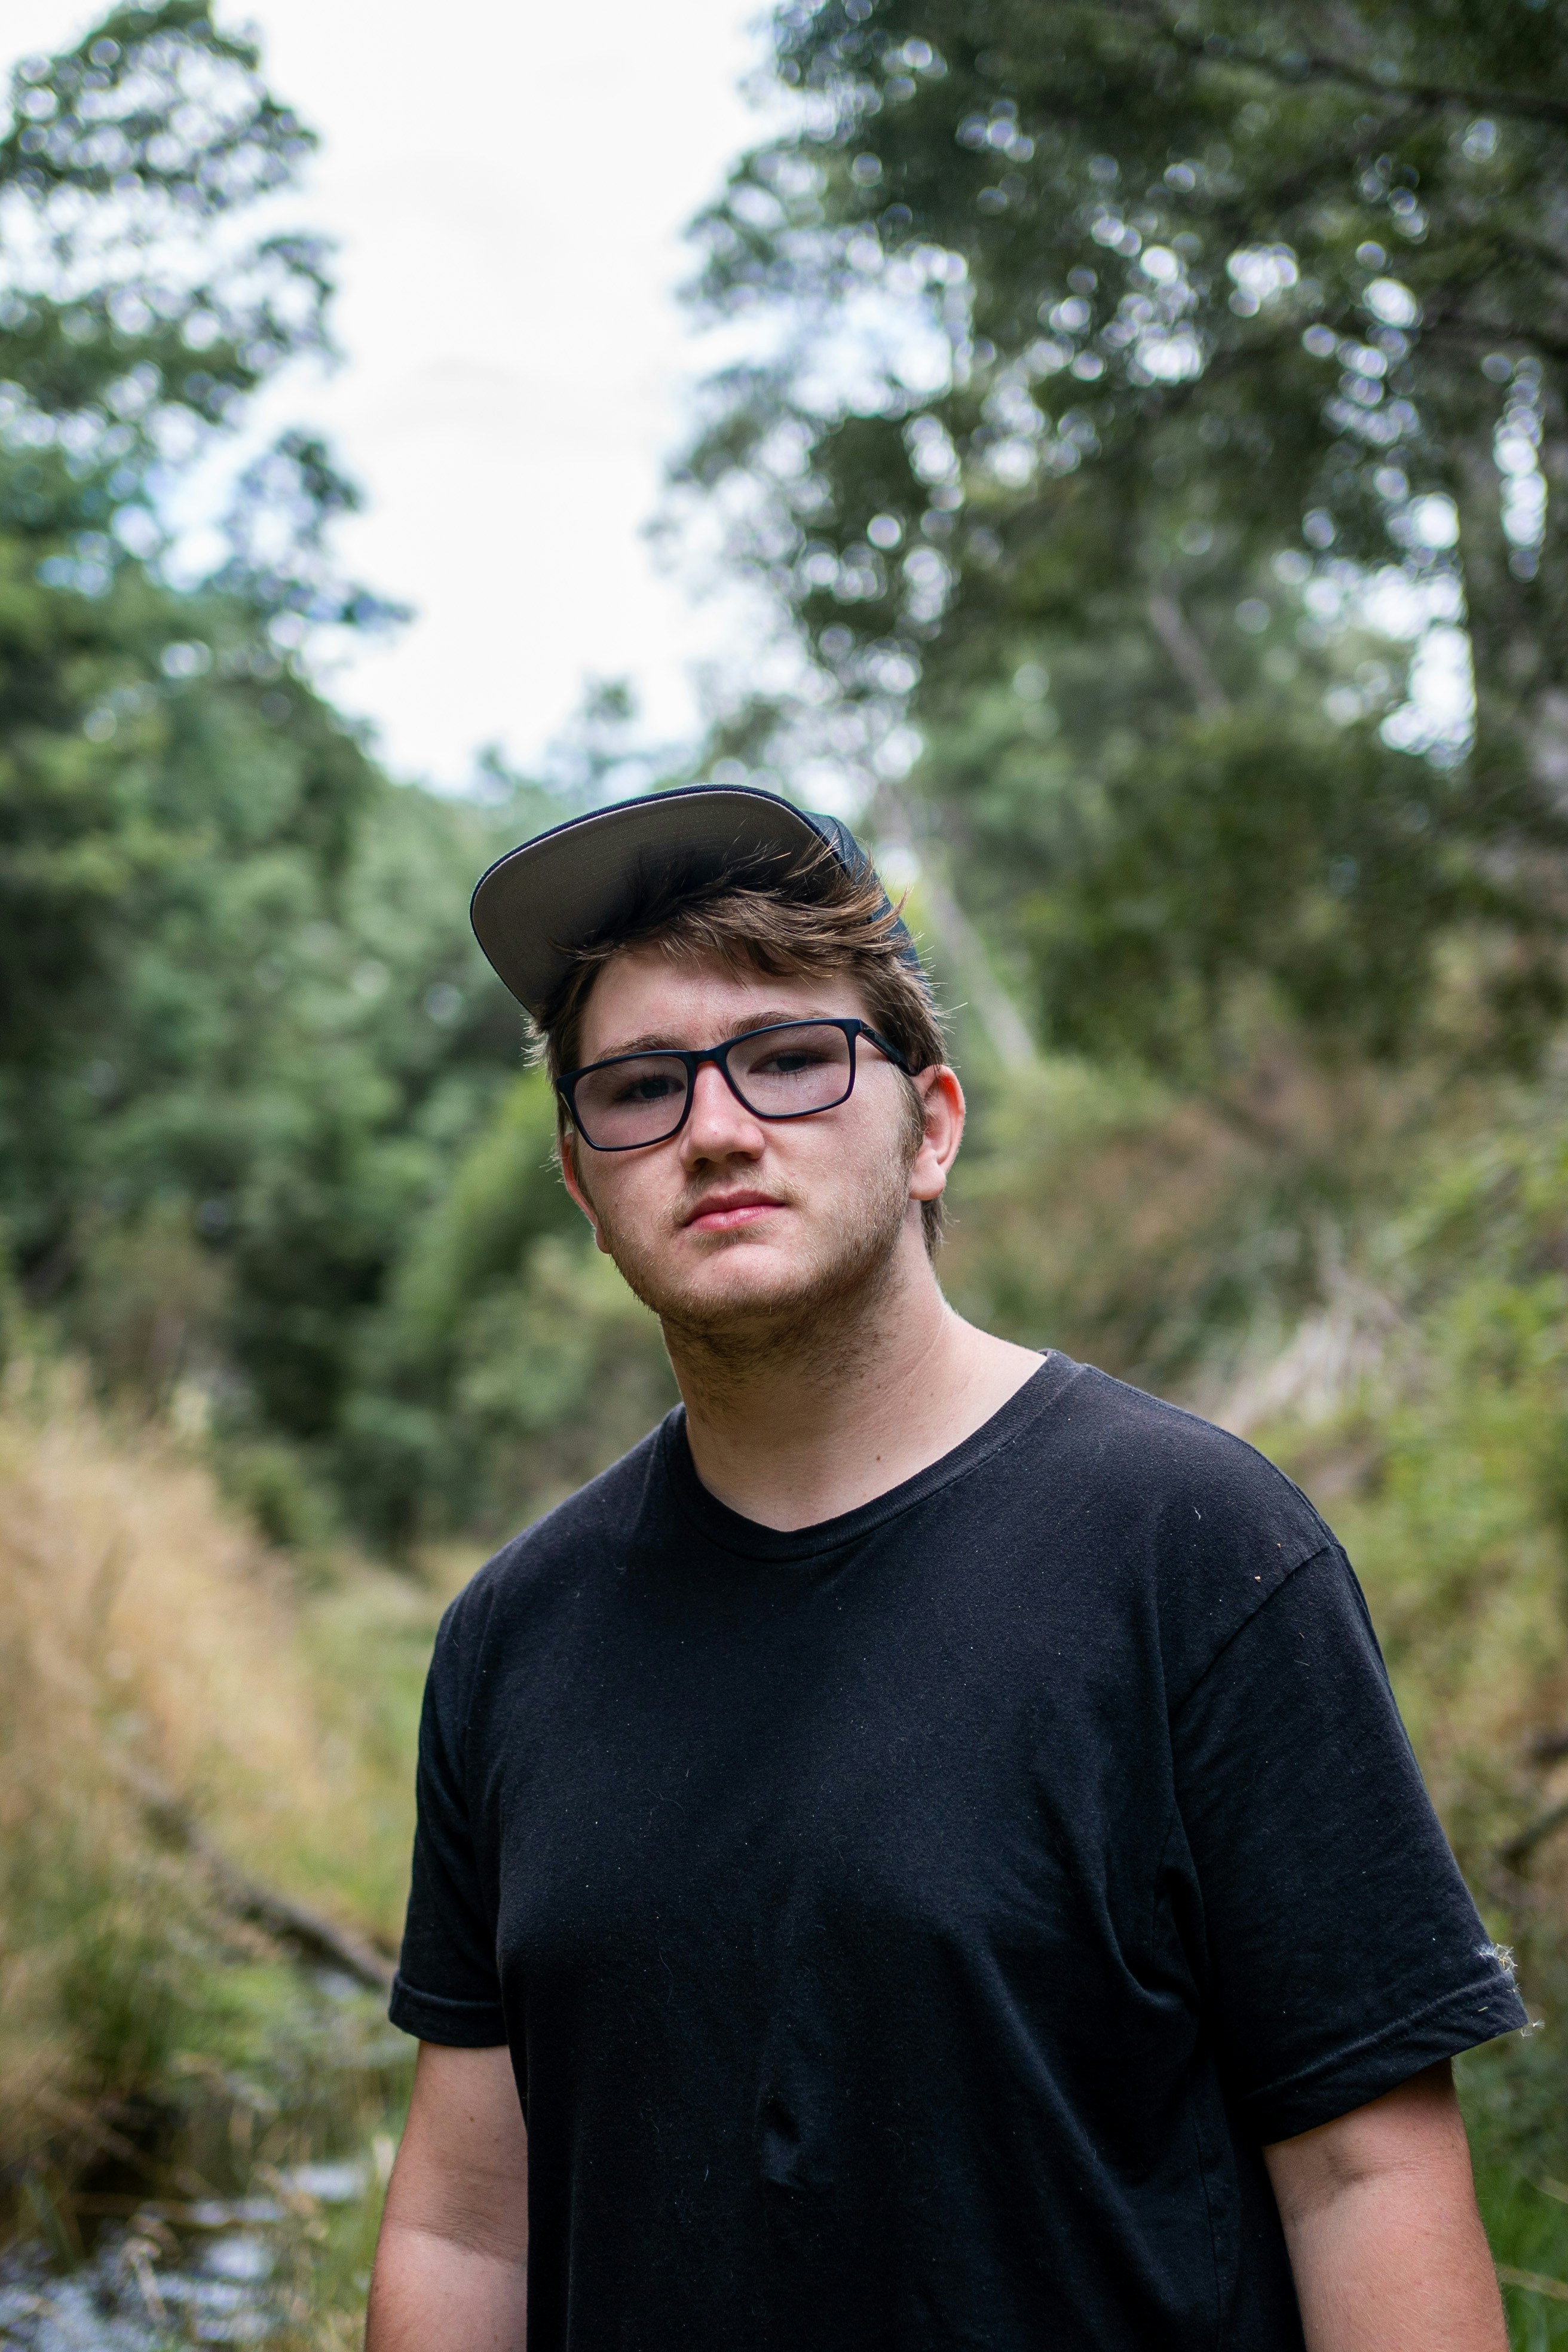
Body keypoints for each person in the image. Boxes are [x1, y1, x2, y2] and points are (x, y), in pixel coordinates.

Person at [367, 785, 1524, 2352]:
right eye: (638, 1088)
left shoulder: (1200, 1556)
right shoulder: (514, 1635)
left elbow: (1366, 2183)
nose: (716, 1129)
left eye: (789, 1060)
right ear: (583, 1185)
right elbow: (462, 2225)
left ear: (932, 1125)